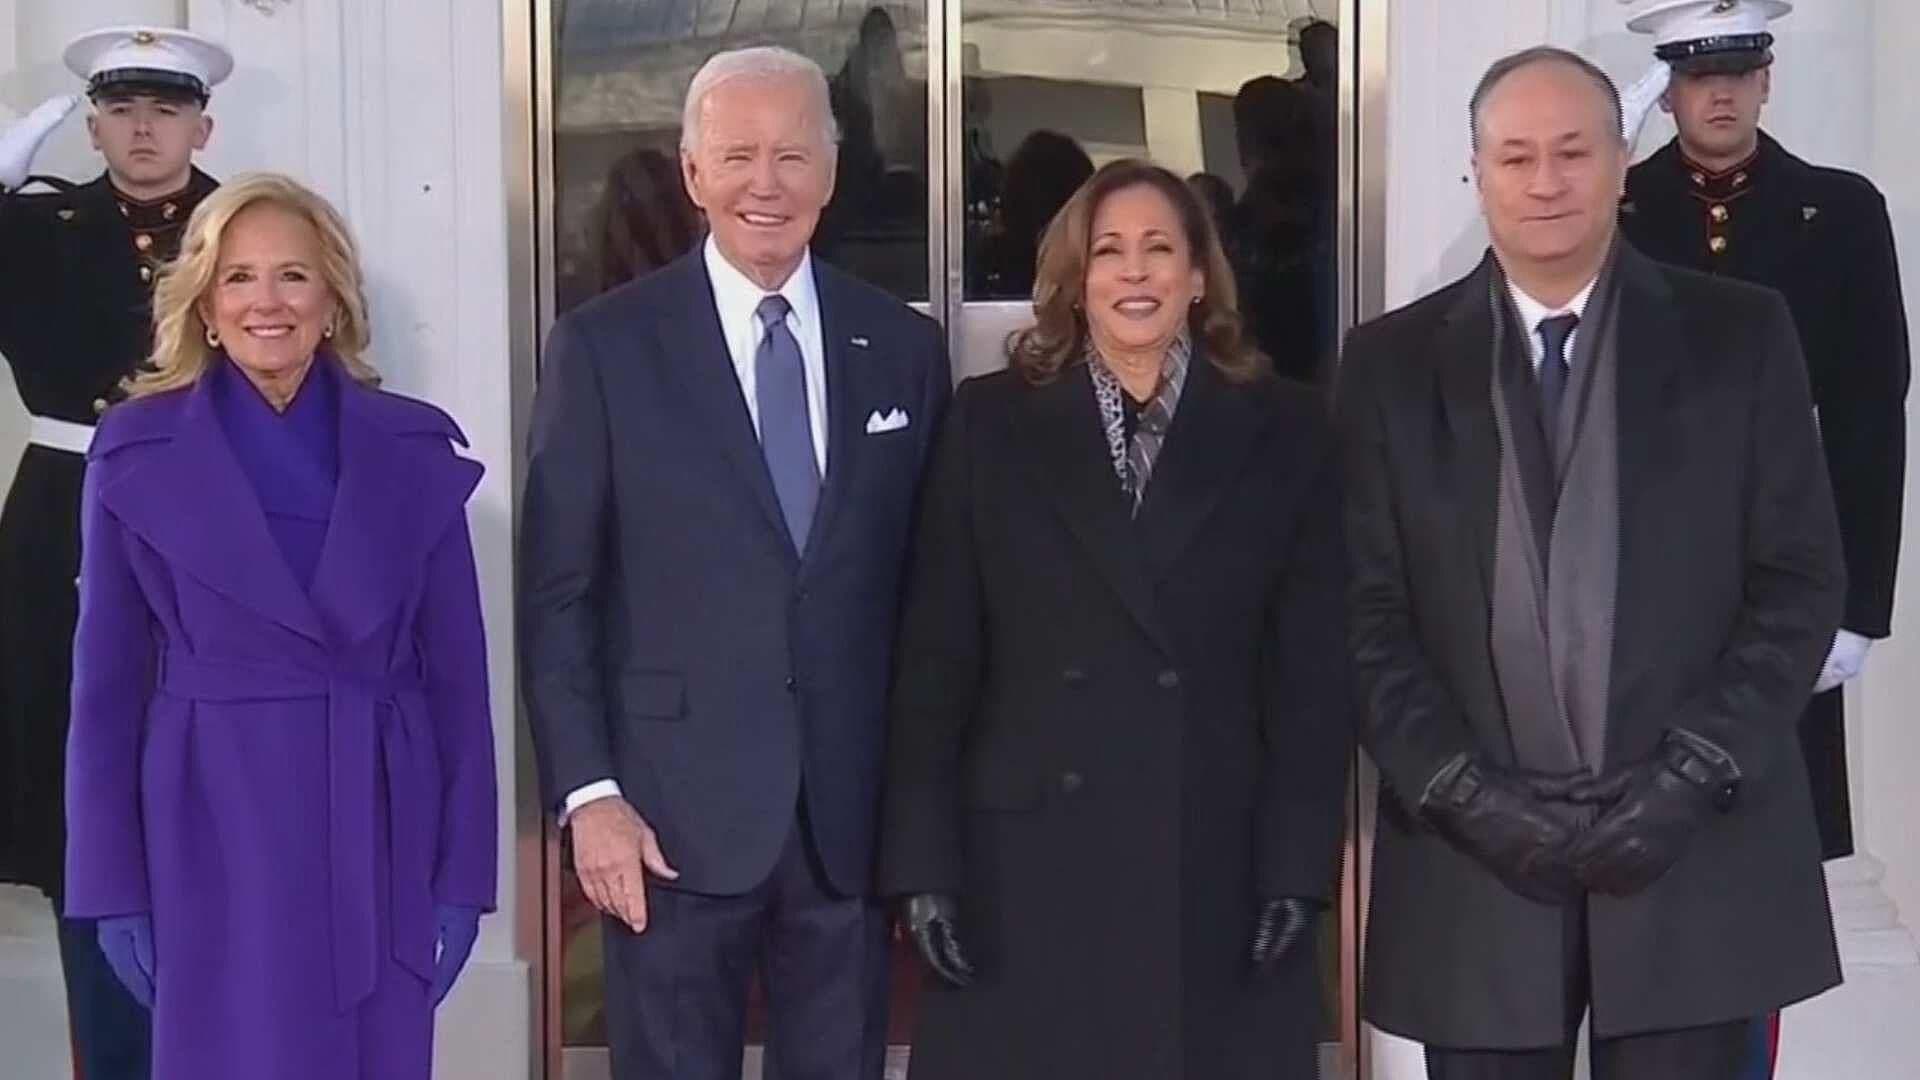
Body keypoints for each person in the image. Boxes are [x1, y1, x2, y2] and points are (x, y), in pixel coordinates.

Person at [1341, 47, 1844, 1080]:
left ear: (1623, 162)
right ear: (1476, 173)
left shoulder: (1739, 337)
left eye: (1573, 150)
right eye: (1516, 155)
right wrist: (1462, 791)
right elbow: (1361, 612)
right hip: (1475, 870)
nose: (1546, 179)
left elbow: (1797, 584)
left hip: (1693, 859)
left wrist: (1691, 776)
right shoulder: (1388, 365)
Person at [519, 45, 950, 1080]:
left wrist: (923, 814)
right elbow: (559, 596)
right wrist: (591, 800)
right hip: (666, 821)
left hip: (846, 826)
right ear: (694, 172)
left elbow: (931, 599)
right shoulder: (605, 347)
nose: (768, 183)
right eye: (741, 155)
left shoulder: (900, 347)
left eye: (794, 155)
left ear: (833, 175)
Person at [881, 159, 1351, 1080]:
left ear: (1199, 275)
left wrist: (1298, 866)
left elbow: (1313, 677)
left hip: (1212, 854)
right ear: (1076, 279)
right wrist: (921, 864)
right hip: (1022, 866)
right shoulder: (990, 422)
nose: (1134, 273)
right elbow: (935, 659)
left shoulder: (1287, 427)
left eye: (1159, 250)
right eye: (1109, 252)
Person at [63, 172, 498, 1079]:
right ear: (206, 307)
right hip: (208, 834)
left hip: (379, 831)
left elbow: (461, 686)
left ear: (333, 300)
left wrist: (463, 879)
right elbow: (104, 692)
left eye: (294, 276)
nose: (268, 301)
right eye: (240, 277)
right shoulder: (135, 453)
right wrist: (110, 888)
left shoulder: (413, 453)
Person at [1621, 0, 1907, 864]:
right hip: (1639, 550)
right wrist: (1600, 146)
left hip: (1786, 546)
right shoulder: (1616, 207)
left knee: (1772, 834)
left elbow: (1869, 410)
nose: (1722, 96)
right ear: (1666, 94)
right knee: (1640, 817)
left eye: (1739, 74)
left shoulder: (1841, 210)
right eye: (1699, 77)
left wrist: (1858, 609)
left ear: (1766, 81)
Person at [0, 26, 231, 1079]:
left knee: (219, 799)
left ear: (202, 123)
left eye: (166, 109)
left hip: (208, 508)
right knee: (72, 807)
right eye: (124, 110)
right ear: (93, 124)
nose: (145, 130)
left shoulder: (247, 227)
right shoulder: (39, 228)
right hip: (62, 521)